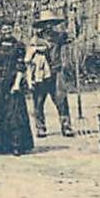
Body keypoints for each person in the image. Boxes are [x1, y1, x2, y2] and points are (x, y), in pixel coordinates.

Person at [0, 33, 34, 155]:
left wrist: (17, 84)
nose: (6, 31)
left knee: (14, 112)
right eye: (3, 28)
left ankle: (16, 146)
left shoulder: (18, 46)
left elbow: (21, 66)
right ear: (0, 29)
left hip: (12, 80)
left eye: (8, 28)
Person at [26, 9, 74, 138]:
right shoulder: (36, 38)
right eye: (45, 23)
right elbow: (29, 56)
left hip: (56, 71)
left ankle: (66, 126)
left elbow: (73, 35)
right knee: (39, 100)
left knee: (61, 99)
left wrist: (73, 16)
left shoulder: (59, 36)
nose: (48, 26)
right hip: (41, 73)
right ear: (41, 25)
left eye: (50, 23)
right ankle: (40, 127)